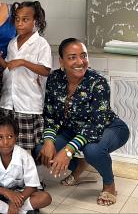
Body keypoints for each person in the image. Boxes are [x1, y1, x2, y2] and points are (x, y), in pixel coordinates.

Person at [34, 38, 130, 206]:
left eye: (83, 56)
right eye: (72, 57)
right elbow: (49, 115)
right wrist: (49, 140)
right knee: (40, 150)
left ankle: (109, 185)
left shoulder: (98, 83)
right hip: (74, 130)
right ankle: (79, 166)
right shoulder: (54, 79)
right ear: (61, 61)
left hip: (108, 128)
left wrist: (68, 150)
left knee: (92, 150)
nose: (80, 62)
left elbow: (95, 125)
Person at [0, 1, 52, 151]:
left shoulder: (41, 44)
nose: (19, 23)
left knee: (25, 149)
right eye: (17, 19)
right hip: (8, 102)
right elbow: (10, 67)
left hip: (27, 103)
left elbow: (45, 70)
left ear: (36, 21)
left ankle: (27, 174)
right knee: (6, 146)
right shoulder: (12, 43)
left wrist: (23, 62)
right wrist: (1, 60)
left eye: (25, 19)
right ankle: (10, 174)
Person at [0, 115, 52, 214]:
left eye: (10, 136)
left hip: (19, 194)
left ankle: (7, 209)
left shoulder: (25, 156)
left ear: (16, 137)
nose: (5, 142)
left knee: (45, 198)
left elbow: (32, 186)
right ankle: (12, 211)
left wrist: (16, 201)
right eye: (0, 137)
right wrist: (7, 193)